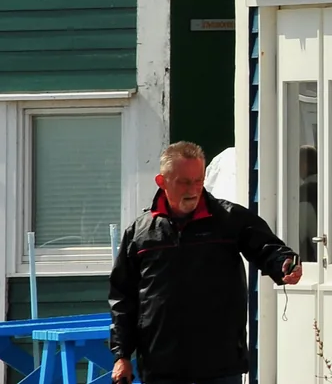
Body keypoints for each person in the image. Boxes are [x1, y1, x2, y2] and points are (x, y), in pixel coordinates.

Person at [109, 141, 302, 384]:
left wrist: (283, 263)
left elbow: (266, 247)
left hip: (219, 364)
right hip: (160, 365)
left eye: (198, 180)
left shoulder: (229, 219)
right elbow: (123, 297)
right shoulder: (140, 232)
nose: (193, 189)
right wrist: (122, 355)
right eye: (184, 182)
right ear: (162, 182)